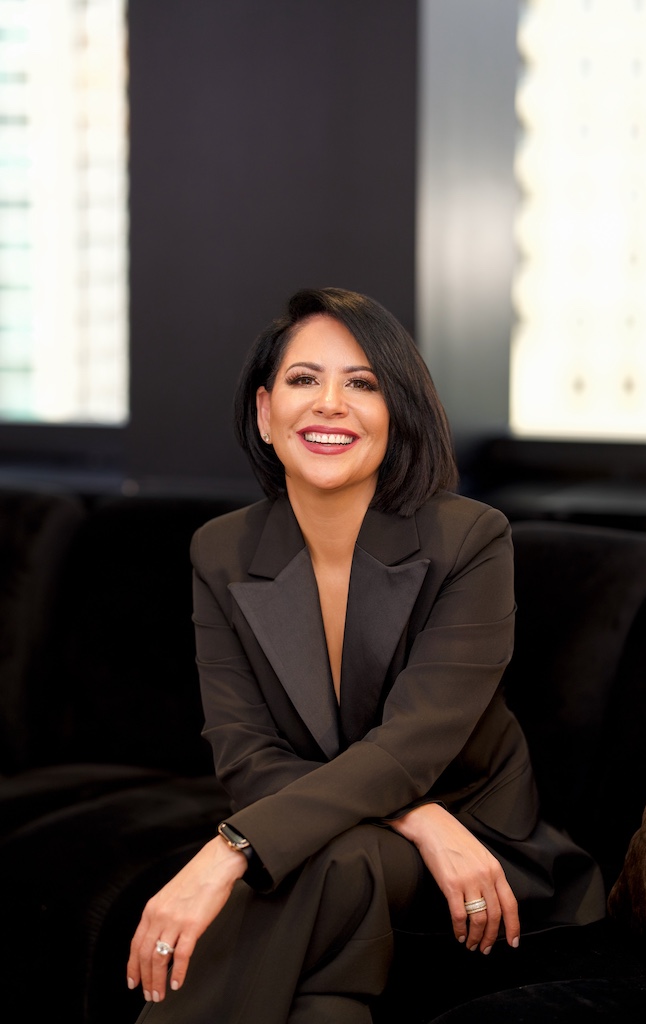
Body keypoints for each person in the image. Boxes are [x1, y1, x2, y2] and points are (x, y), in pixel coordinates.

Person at [126, 287, 605, 1023]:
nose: (329, 405)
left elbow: (411, 746)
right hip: (386, 835)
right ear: (263, 412)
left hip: (480, 844)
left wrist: (226, 853)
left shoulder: (469, 539)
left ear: (396, 413)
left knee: (327, 860)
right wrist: (416, 818)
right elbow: (245, 752)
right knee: (335, 887)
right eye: (302, 379)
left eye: (361, 384)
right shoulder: (220, 550)